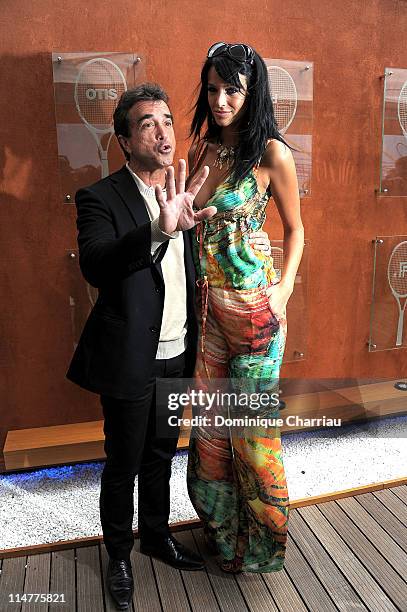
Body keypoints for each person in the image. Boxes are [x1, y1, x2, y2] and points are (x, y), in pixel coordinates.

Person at [66, 83, 272, 610]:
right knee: (124, 461)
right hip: (131, 356)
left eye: (167, 121)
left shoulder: (189, 193)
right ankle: (118, 554)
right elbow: (96, 262)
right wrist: (159, 230)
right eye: (147, 124)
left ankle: (156, 536)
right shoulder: (100, 197)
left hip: (181, 351)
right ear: (124, 141)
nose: (162, 132)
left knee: (160, 454)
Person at [186, 43, 304, 574]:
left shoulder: (272, 153)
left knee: (253, 441)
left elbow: (297, 230)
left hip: (256, 313)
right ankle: (224, 534)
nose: (220, 99)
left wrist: (283, 291)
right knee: (210, 437)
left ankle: (260, 548)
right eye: (212, 89)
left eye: (232, 89)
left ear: (252, 92)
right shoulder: (206, 151)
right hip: (210, 312)